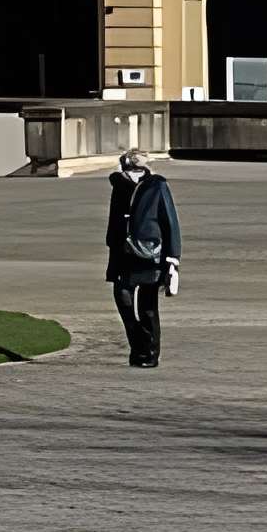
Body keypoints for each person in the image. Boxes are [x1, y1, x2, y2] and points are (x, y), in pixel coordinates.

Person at [105, 147, 181, 368]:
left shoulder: (157, 185)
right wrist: (112, 245)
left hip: (150, 253)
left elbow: (170, 221)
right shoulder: (119, 185)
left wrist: (172, 257)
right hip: (123, 252)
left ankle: (149, 355)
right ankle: (139, 341)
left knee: (148, 306)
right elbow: (114, 220)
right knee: (123, 297)